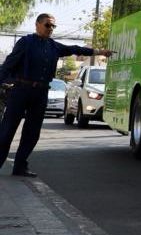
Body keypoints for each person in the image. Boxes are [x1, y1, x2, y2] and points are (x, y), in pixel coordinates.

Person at [0, 14, 115, 177]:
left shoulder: (54, 46)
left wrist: (99, 51)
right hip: (21, 90)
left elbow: (75, 48)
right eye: (48, 25)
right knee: (7, 129)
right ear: (37, 25)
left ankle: (20, 166)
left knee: (32, 132)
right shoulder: (25, 43)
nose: (50, 29)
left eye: (53, 26)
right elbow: (9, 63)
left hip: (40, 93)